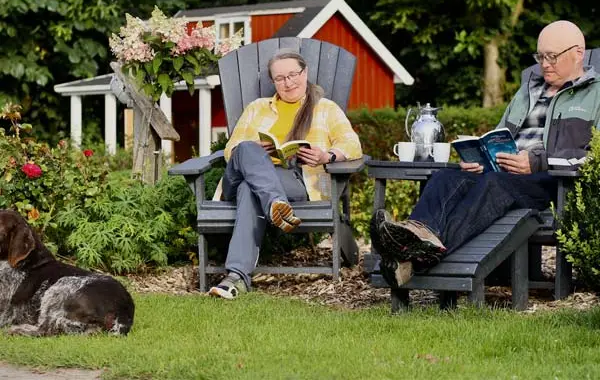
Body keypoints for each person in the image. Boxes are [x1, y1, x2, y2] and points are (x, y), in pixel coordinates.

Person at [370, 20, 600, 288]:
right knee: (445, 177)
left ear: (578, 53)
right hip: (504, 173)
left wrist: (539, 162)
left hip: (553, 182)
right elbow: (500, 134)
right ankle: (411, 248)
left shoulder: (595, 95)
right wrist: (480, 157)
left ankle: (410, 254)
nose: (545, 64)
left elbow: (595, 157)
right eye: (540, 56)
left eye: (552, 56)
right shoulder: (528, 91)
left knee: (494, 184)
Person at [209, 49, 363, 299]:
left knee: (251, 189)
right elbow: (230, 150)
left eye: (293, 74)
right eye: (280, 78)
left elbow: (352, 143)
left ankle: (235, 277)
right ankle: (275, 204)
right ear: (273, 81)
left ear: (306, 73)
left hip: (294, 179)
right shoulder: (258, 108)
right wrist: (253, 151)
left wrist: (328, 156)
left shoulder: (325, 109)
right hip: (243, 173)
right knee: (246, 147)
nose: (288, 82)